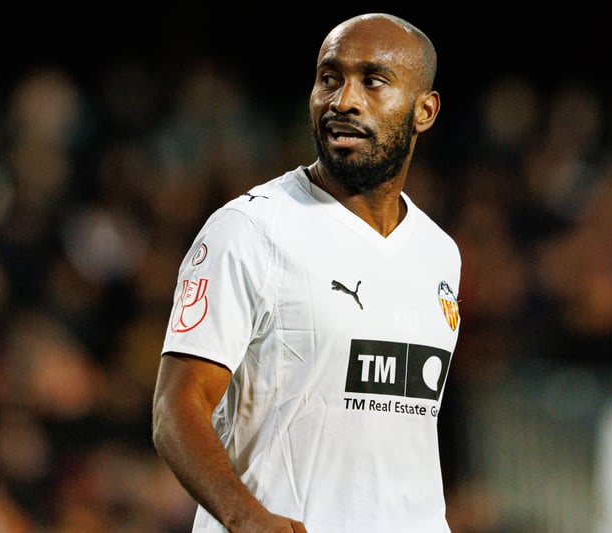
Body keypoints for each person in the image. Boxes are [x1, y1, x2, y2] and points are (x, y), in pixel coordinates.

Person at [152, 12, 461, 533]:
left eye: (373, 81)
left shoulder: (439, 252)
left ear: (424, 110)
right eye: (329, 79)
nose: (344, 100)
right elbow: (175, 408)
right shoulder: (248, 230)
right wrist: (244, 515)